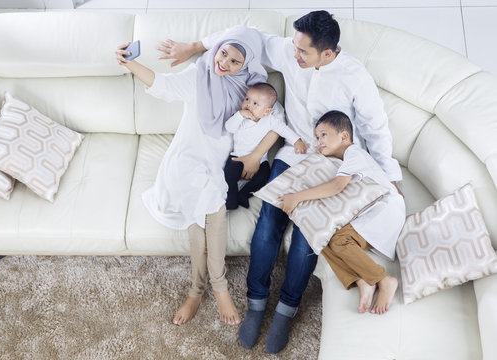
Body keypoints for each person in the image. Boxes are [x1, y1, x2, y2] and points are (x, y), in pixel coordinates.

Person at [158, 10, 402, 353]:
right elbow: (244, 33)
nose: (294, 55)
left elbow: (376, 129)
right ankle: (257, 303)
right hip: (291, 154)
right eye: (294, 47)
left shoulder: (354, 76)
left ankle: (287, 309)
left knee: (305, 241)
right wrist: (195, 46)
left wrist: (390, 175)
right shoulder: (290, 50)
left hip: (328, 166)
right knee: (266, 228)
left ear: (328, 53)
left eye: (303, 52)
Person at [115, 26, 274, 326]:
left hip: (217, 166)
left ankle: (201, 290)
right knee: (203, 208)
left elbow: (276, 122)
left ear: (247, 65)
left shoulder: (254, 92)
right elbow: (161, 84)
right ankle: (212, 289)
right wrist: (128, 62)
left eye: (235, 61)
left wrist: (255, 155)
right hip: (187, 159)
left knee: (210, 205)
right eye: (223, 52)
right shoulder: (199, 75)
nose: (223, 62)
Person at [280, 110, 405, 315]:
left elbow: (337, 187)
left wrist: (298, 197)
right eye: (317, 137)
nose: (319, 141)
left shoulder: (354, 153)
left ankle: (383, 279)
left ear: (344, 136)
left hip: (385, 209)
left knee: (340, 240)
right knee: (320, 234)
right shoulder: (341, 162)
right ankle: (361, 280)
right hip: (370, 211)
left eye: (323, 135)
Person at [224, 82, 308, 210]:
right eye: (247, 99)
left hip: (260, 162)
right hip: (238, 157)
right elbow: (229, 127)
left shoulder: (270, 121)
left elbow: (284, 130)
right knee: (229, 174)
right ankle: (231, 198)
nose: (248, 105)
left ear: (267, 111)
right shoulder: (241, 118)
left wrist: (297, 141)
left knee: (264, 177)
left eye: (255, 104)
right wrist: (239, 115)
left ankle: (244, 194)